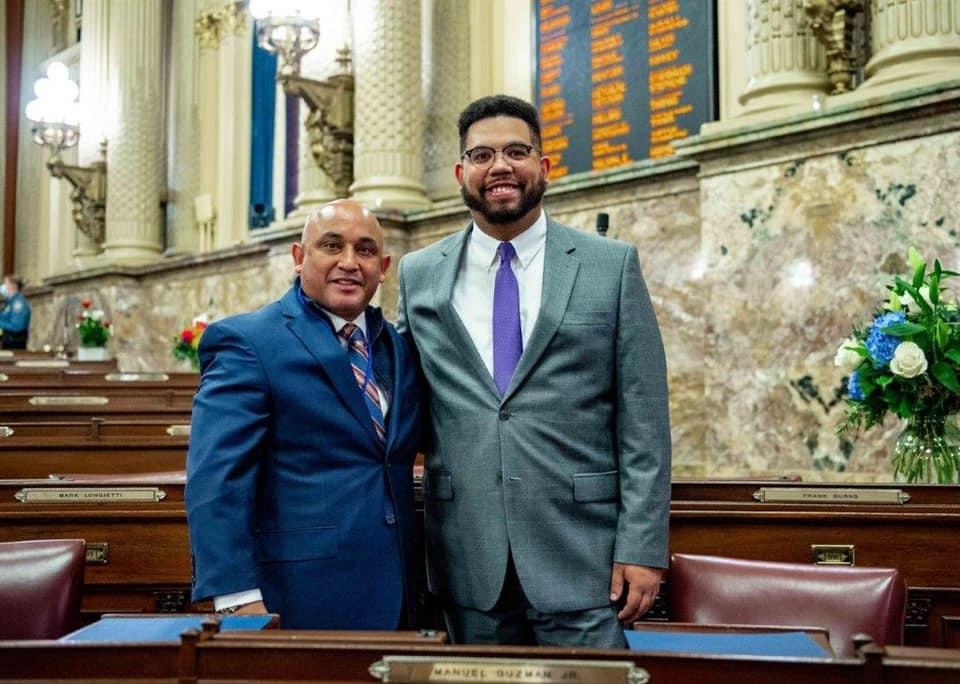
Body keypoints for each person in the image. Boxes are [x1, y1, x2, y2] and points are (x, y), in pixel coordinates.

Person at [396, 95, 671, 648]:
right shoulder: (419, 273)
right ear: (461, 173)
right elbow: (400, 396)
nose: (499, 166)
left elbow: (644, 421)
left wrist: (641, 546)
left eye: (516, 151)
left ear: (543, 166)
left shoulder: (609, 265)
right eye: (481, 155)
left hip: (584, 560)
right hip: (468, 560)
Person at [185, 199, 421, 629]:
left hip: (401, 594)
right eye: (332, 245)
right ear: (299, 257)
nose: (349, 262)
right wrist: (235, 598)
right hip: (300, 598)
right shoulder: (247, 342)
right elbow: (217, 477)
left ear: (383, 266)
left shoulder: (398, 348)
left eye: (365, 250)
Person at [0, 275, 31, 349]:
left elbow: (17, 326)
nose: (2, 287)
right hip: (7, 340)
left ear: (13, 286)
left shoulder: (18, 303)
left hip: (14, 342)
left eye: (5, 283)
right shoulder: (9, 302)